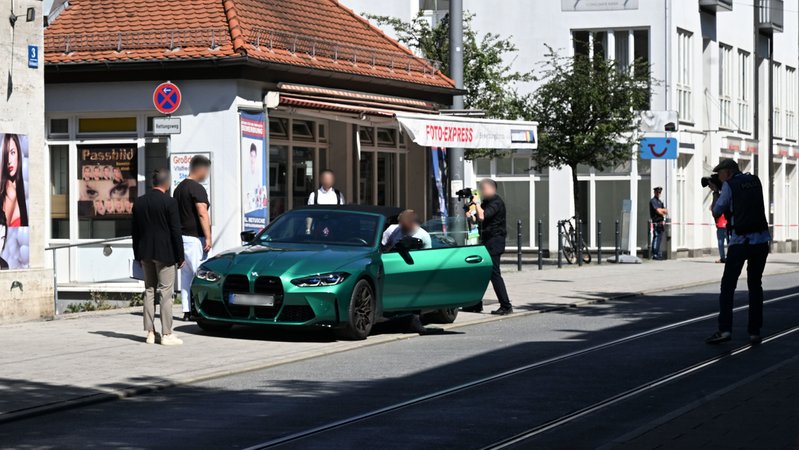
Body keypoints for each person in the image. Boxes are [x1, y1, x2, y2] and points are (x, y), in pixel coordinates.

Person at [706, 159, 770, 345]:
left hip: (740, 241)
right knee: (755, 285)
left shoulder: (729, 185)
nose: (718, 177)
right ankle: (754, 332)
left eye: (719, 174)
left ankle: (724, 330)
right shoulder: (755, 181)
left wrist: (716, 191)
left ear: (727, 173)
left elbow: (717, 211)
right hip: (761, 240)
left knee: (728, 286)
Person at [132, 169, 185, 346]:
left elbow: (135, 232)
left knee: (149, 291)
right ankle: (167, 334)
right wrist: (180, 255)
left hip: (145, 253)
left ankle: (150, 333)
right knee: (165, 293)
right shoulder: (170, 203)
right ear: (167, 183)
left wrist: (137, 255)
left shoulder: (139, 202)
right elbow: (176, 231)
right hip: (166, 254)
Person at [463, 179, 512, 315]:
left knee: (494, 273)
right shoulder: (486, 203)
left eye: (483, 188)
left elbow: (483, 216)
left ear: (492, 189)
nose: (481, 191)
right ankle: (475, 304)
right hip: (486, 240)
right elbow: (476, 219)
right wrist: (468, 211)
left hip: (495, 241)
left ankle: (506, 305)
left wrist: (477, 203)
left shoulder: (496, 202)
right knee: (479, 271)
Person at [173, 155, 212, 321]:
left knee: (186, 276)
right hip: (195, 238)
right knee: (202, 275)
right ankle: (201, 309)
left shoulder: (178, 189)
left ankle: (187, 311)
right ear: (201, 169)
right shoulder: (197, 188)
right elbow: (202, 213)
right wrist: (208, 237)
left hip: (181, 238)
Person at [0, 134, 29, 227]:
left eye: (12, 153)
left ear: (18, 154)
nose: (9, 160)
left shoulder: (19, 189)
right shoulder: (9, 190)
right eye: (6, 154)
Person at [649, 187, 668, 260]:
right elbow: (658, 211)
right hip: (656, 222)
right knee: (656, 238)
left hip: (661, 222)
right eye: (657, 192)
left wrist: (662, 210)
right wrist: (661, 210)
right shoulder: (653, 201)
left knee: (659, 239)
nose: (658, 194)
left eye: (659, 192)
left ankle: (657, 253)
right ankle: (655, 254)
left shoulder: (660, 202)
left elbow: (666, 211)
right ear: (654, 192)